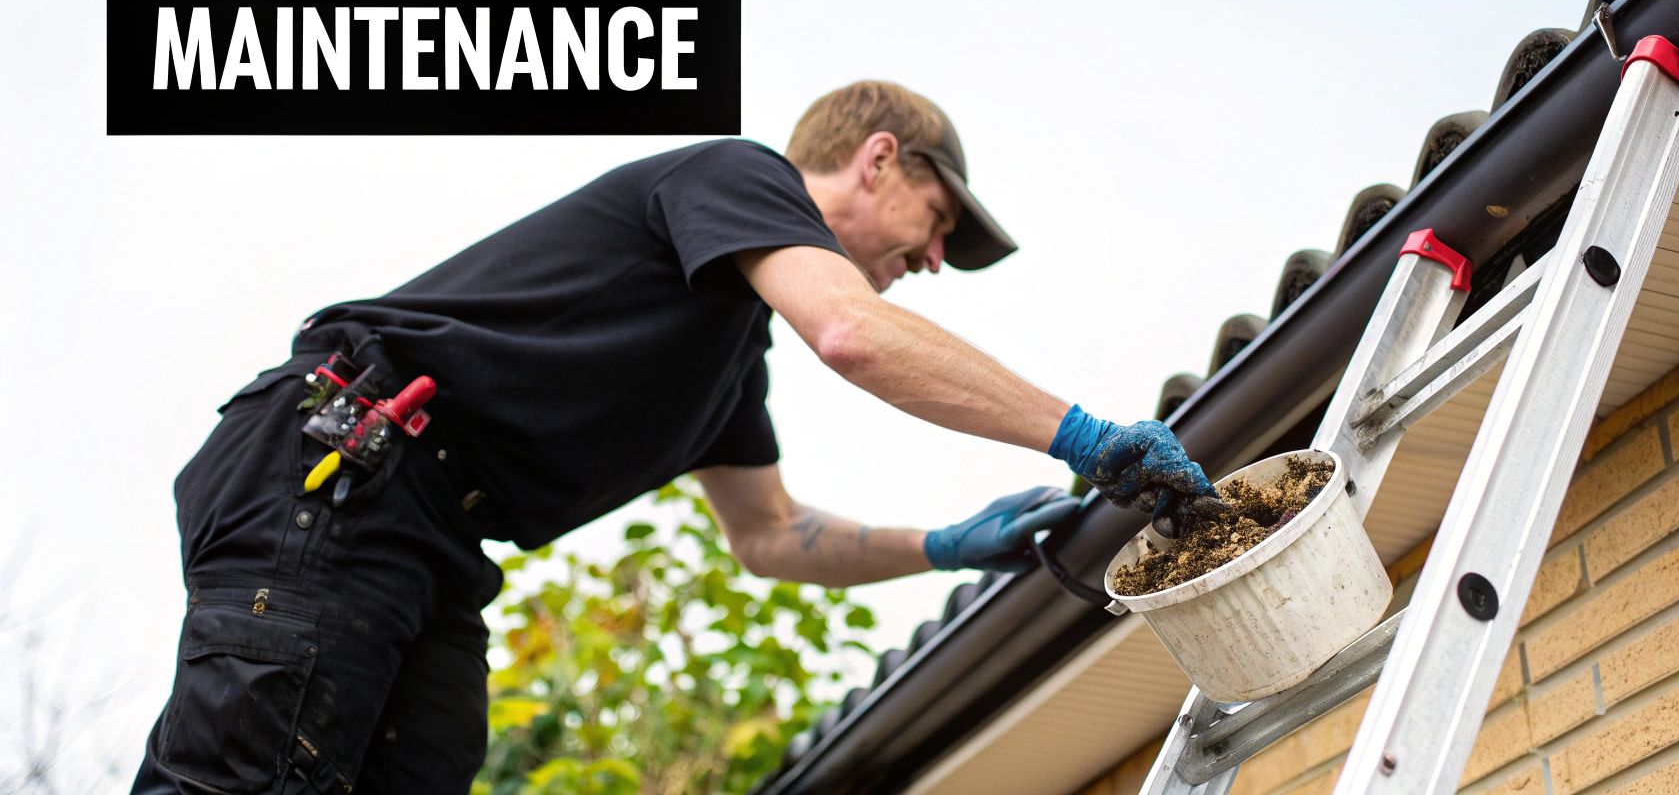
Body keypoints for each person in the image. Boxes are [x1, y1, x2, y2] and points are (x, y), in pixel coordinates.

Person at [130, 80, 1222, 794]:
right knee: (250, 778)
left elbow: (772, 534)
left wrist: (937, 546)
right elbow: (849, 330)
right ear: (878, 158)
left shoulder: (723, 364)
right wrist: (1078, 435)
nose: (933, 258)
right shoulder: (734, 173)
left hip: (428, 542)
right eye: (938, 225)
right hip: (343, 467)